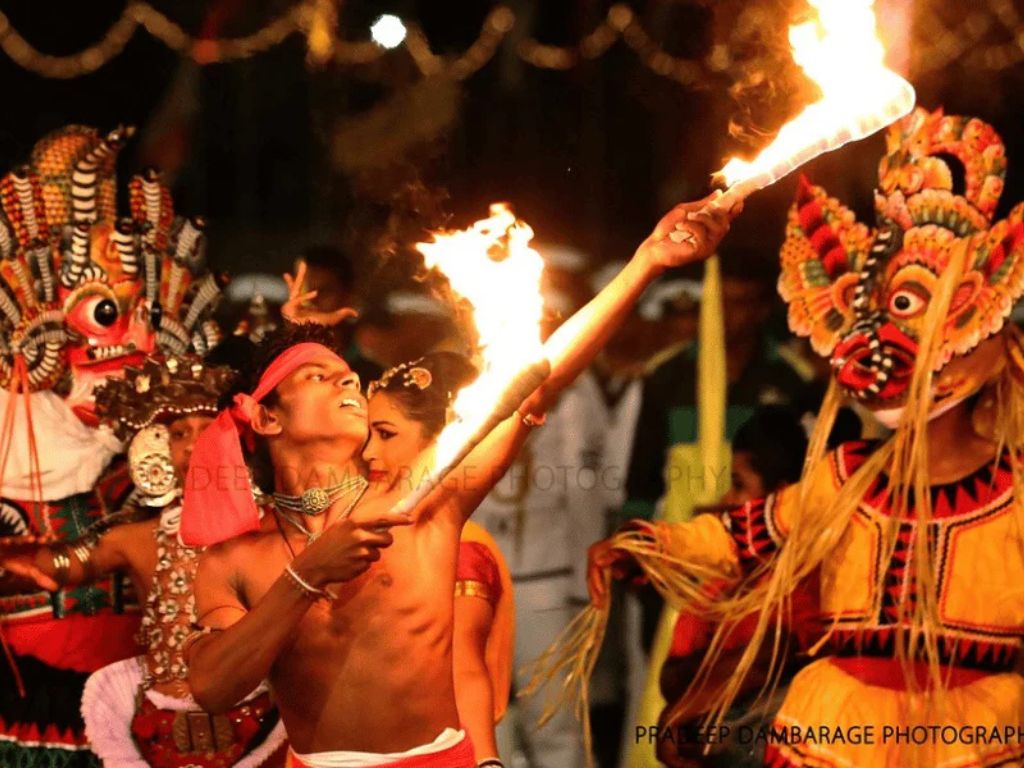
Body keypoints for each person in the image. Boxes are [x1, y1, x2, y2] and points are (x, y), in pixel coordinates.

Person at [180, 194, 737, 767]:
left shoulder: (423, 497)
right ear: (268, 417)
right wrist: (307, 575)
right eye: (320, 377)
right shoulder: (236, 558)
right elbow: (214, 688)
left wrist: (646, 261)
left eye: (347, 374)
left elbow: (537, 378)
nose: (348, 383)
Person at [579, 107, 1024, 766]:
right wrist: (647, 544)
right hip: (832, 737)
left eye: (908, 313)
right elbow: (741, 535)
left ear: (977, 340)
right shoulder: (846, 478)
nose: (874, 345)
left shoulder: (1014, 495)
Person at [1, 355, 288, 767]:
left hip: (261, 716)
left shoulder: (270, 528)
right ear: (155, 445)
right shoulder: (134, 537)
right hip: (160, 727)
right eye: (178, 432)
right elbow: (61, 564)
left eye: (208, 429)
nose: (193, 444)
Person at [362, 351, 514, 766]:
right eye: (368, 435)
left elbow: (462, 668)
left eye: (386, 434)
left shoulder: (458, 548)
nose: (369, 452)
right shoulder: (374, 524)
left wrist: (485, 759)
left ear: (441, 440)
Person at [656, 406, 815, 768]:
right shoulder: (725, 577)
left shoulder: (808, 575)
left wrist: (681, 712)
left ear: (782, 497)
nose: (728, 499)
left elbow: (772, 655)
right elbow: (671, 678)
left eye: (739, 485)